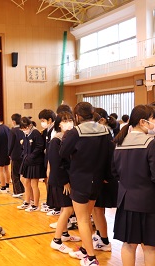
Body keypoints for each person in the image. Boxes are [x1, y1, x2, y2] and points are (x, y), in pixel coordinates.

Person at [59, 102, 113, 266]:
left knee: (82, 219)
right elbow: (110, 155)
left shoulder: (76, 132)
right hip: (97, 180)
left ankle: (90, 258)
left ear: (77, 117)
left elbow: (63, 152)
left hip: (80, 180)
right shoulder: (105, 130)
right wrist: (107, 176)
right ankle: (85, 248)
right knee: (87, 217)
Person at [113, 105, 155, 266]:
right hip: (147, 202)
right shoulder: (151, 144)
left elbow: (114, 172)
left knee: (129, 244)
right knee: (150, 247)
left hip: (125, 201)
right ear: (143, 122)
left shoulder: (119, 143)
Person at [47, 112, 81, 254]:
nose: (68, 123)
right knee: (68, 209)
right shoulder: (56, 140)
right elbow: (56, 164)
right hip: (61, 180)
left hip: (67, 178)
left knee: (65, 208)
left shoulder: (71, 138)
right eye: (65, 120)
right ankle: (56, 240)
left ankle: (65, 234)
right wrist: (65, 182)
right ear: (59, 123)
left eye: (70, 120)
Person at [91, 107, 117, 252]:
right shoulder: (102, 134)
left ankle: (105, 241)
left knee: (99, 209)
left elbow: (109, 159)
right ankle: (100, 236)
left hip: (105, 179)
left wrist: (107, 176)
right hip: (99, 177)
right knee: (96, 209)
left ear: (101, 120)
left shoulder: (105, 134)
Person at [18, 116, 45, 211]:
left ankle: (36, 205)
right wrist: (24, 155)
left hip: (35, 162)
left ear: (30, 125)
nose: (24, 130)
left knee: (34, 184)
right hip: (27, 160)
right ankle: (28, 201)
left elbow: (40, 146)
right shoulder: (26, 133)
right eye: (22, 128)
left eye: (25, 128)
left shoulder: (35, 133)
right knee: (25, 181)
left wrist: (31, 156)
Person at [8, 113, 25, 197]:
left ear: (14, 121)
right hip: (23, 154)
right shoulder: (23, 129)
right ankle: (22, 189)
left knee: (14, 173)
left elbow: (10, 144)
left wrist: (8, 153)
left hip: (15, 154)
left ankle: (17, 191)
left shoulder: (13, 131)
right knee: (21, 173)